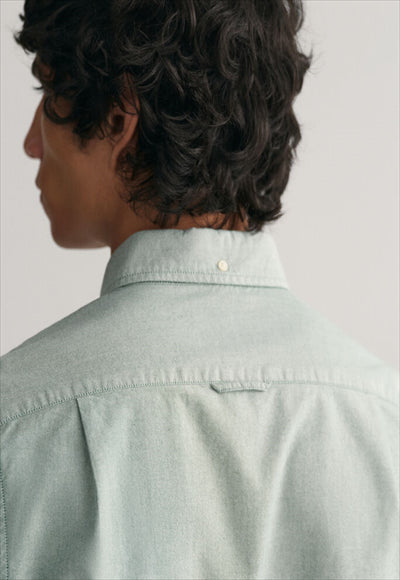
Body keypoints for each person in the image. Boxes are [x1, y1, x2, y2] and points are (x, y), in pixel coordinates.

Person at [0, 0, 398, 578]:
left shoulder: (16, 423)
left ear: (119, 117)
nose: (30, 142)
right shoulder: (383, 419)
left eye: (48, 95)